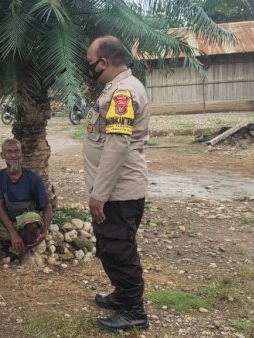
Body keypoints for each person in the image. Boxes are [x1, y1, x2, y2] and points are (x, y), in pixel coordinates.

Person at [83, 35, 151, 331]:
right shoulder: (116, 88)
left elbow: (117, 146)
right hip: (115, 190)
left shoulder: (122, 93)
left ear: (104, 62)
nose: (89, 69)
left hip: (118, 192)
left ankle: (134, 311)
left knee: (118, 250)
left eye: (90, 64)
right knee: (112, 247)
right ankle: (123, 296)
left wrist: (99, 195)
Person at [0, 139, 52, 267]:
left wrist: (44, 232)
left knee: (32, 220)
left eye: (17, 151)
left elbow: (47, 206)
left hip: (25, 222)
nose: (13, 155)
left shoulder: (33, 178)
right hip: (5, 223)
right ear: (2, 155)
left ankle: (25, 253)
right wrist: (13, 233)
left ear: (21, 154)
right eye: (9, 152)